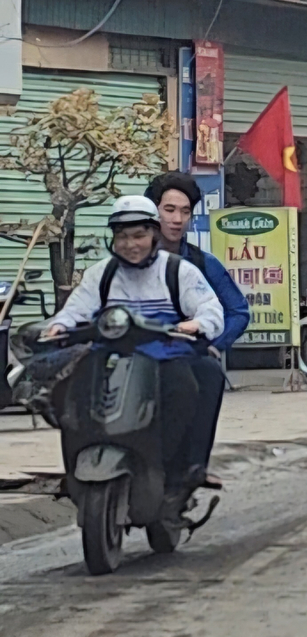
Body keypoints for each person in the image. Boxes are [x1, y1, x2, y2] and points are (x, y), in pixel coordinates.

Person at [41, 196, 225, 499]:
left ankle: (181, 469)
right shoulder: (102, 274)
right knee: (67, 390)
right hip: (108, 357)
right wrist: (59, 326)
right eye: (123, 236)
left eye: (139, 235)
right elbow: (76, 310)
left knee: (198, 380)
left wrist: (195, 325)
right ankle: (75, 468)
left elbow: (210, 309)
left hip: (166, 356)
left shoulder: (178, 271)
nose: (131, 244)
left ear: (154, 234)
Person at [147, 172, 250, 490]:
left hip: (185, 355)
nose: (177, 219)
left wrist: (214, 345)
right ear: (152, 211)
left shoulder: (204, 265)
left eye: (185, 211)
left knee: (209, 373)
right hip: (135, 350)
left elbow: (238, 311)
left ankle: (194, 464)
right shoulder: (127, 261)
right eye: (169, 209)